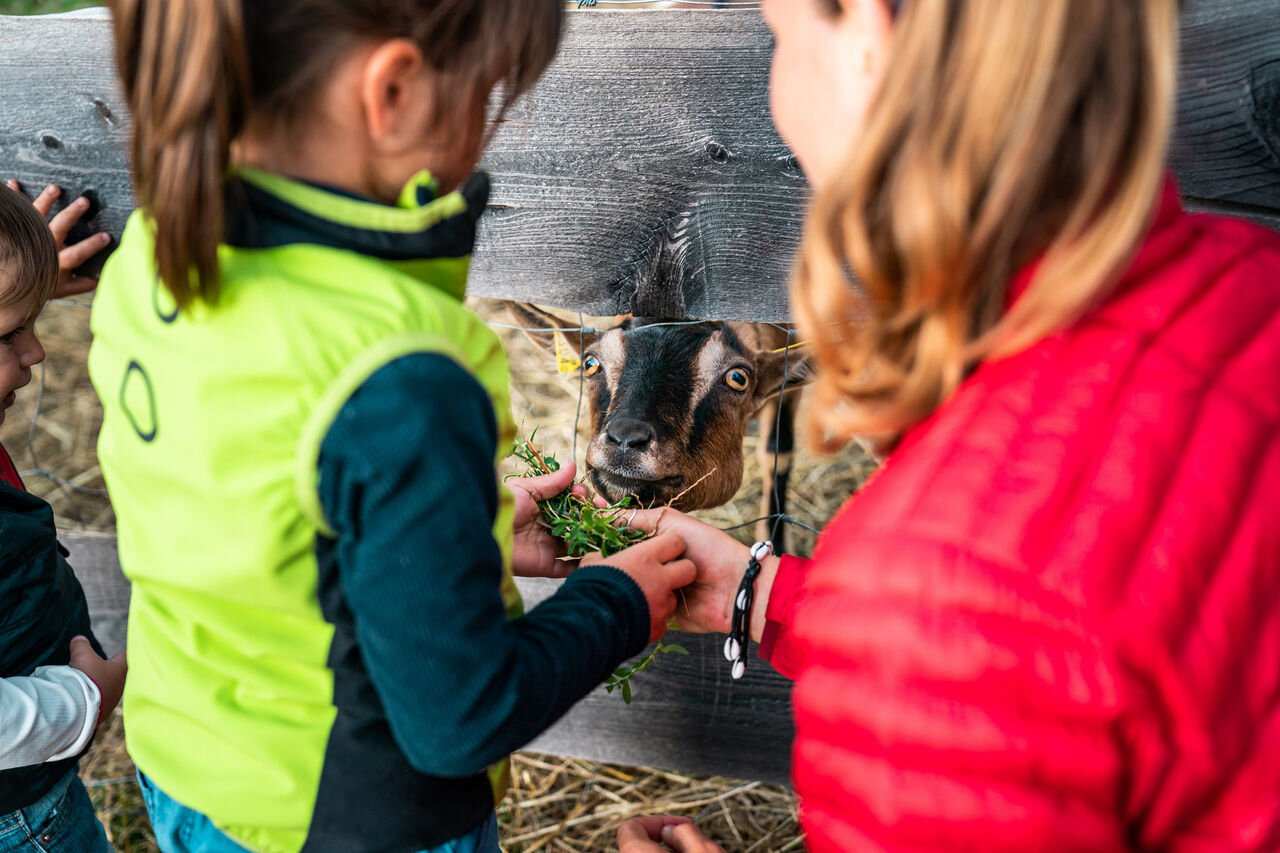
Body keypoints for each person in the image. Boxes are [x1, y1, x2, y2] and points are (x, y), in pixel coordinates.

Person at [623, 0, 1280, 851]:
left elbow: (972, 631)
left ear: (869, 34)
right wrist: (778, 600)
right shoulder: (1251, 283)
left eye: (780, 37)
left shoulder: (932, 586)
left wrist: (886, 619)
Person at [88, 2, 695, 852]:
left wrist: (452, 530)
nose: (484, 132)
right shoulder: (400, 365)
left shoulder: (156, 256)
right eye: (485, 96)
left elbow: (264, 502)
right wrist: (618, 602)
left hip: (191, 775)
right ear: (396, 91)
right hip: (351, 819)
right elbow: (460, 718)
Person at [0, 181, 123, 853]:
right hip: (20, 816)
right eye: (12, 333)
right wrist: (82, 701)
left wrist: (20, 283)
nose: (38, 352)